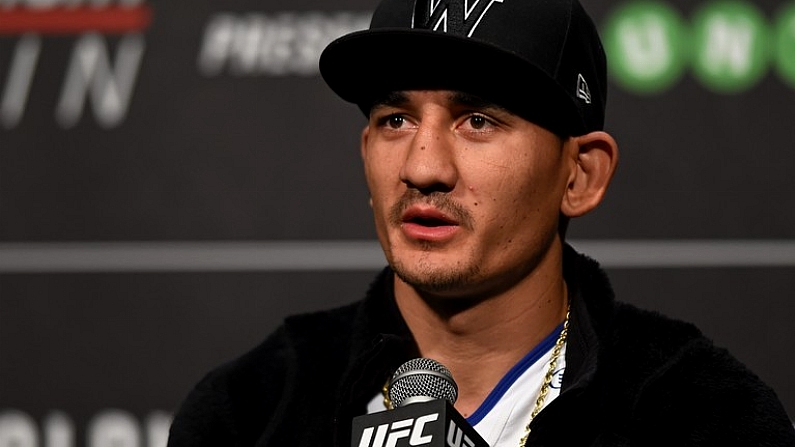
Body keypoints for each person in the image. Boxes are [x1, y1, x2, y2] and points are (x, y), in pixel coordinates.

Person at [167, 0, 795, 445]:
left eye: (479, 120)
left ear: (579, 176)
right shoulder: (249, 411)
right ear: (366, 154)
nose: (423, 166)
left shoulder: (703, 417)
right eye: (396, 120)